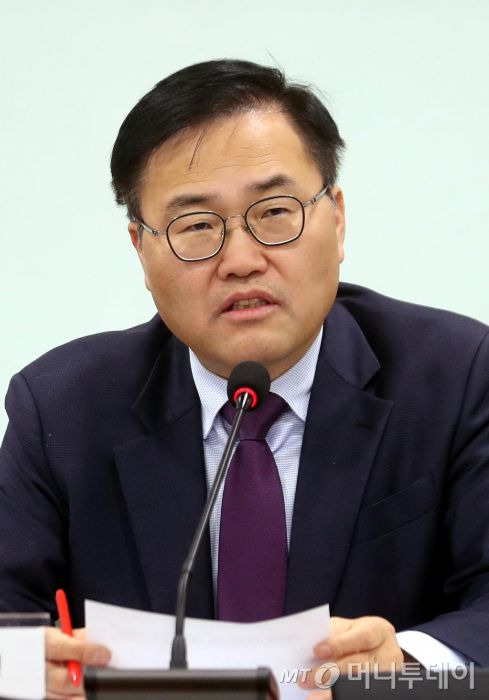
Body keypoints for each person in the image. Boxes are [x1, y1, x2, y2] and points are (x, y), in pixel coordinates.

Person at [1, 59, 488, 699]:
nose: (240, 260)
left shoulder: (457, 374)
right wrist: (18, 668)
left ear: (337, 219)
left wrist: (405, 664)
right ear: (140, 250)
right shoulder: (61, 408)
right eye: (197, 226)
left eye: (275, 211)